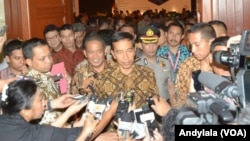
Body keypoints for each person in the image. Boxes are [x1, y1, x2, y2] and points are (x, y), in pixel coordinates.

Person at [93, 31, 159, 132]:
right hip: (114, 135)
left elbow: (155, 105)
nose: (126, 57)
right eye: (120, 52)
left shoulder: (148, 74)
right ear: (113, 54)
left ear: (135, 51)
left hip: (143, 133)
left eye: (129, 50)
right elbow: (96, 113)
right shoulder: (102, 78)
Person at [0, 79, 99, 141]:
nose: (44, 103)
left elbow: (48, 133)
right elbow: (44, 134)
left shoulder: (6, 121)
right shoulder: (27, 133)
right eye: (40, 100)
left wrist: (68, 113)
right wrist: (86, 132)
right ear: (25, 109)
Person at [172, 22, 216, 108]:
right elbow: (179, 98)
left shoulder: (221, 65)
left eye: (197, 44)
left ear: (211, 42)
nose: (193, 50)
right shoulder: (187, 65)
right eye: (191, 45)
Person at [23, 38, 63, 124]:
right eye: (42, 58)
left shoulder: (50, 73)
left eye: (49, 56)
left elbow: (62, 91)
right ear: (29, 62)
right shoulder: (27, 84)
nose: (48, 61)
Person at [136, 25, 174, 100]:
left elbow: (171, 86)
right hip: (145, 106)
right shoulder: (136, 65)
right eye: (147, 44)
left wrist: (173, 107)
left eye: (154, 43)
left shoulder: (166, 62)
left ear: (158, 44)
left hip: (165, 104)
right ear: (140, 45)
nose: (151, 47)